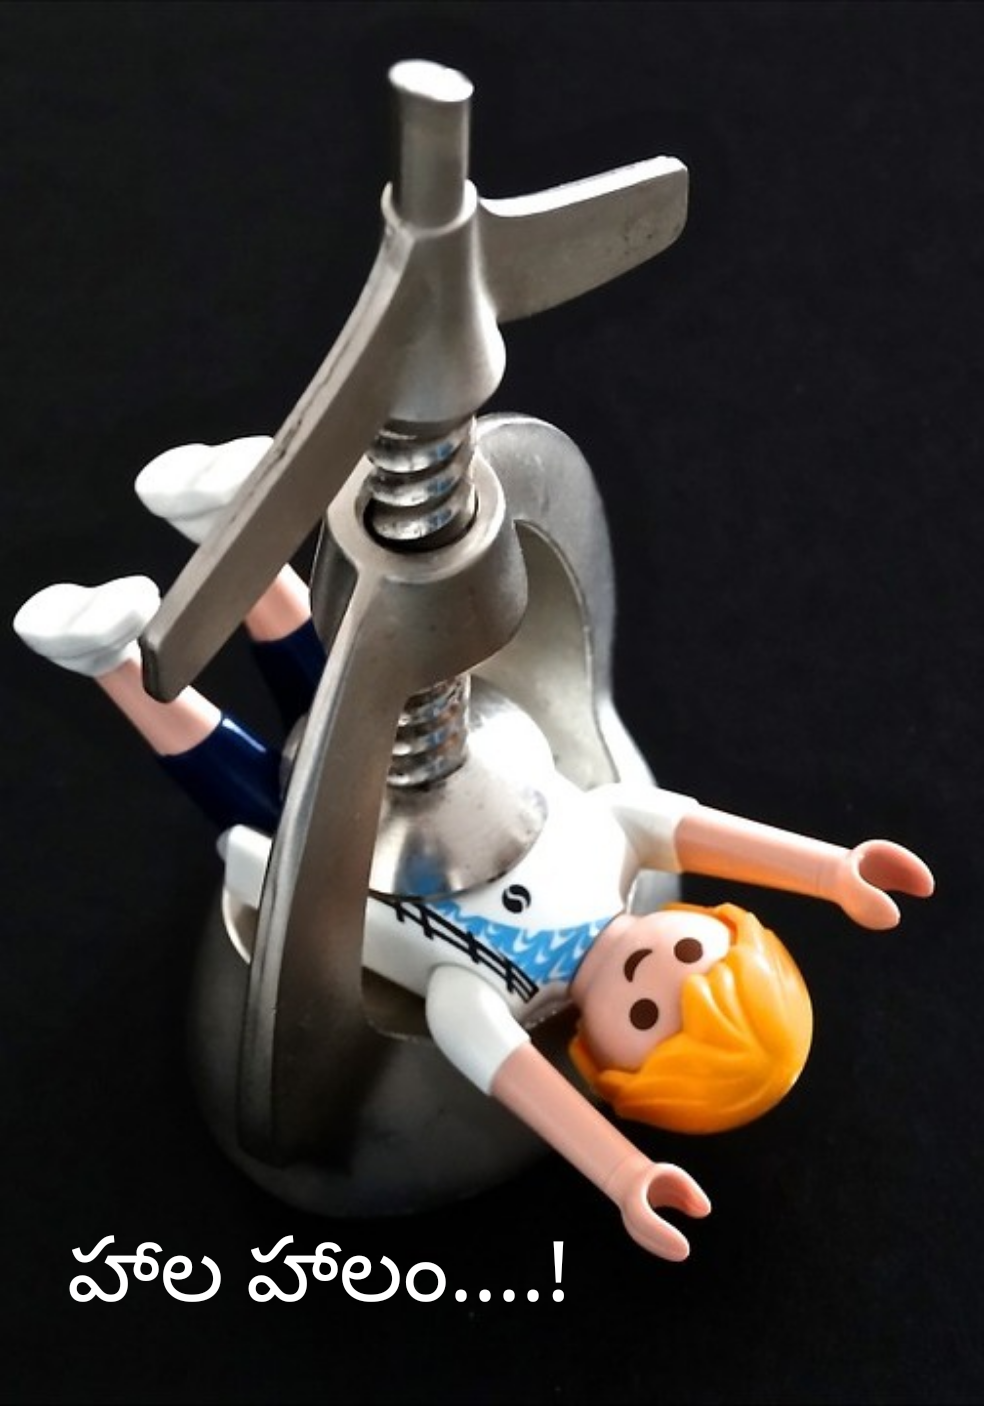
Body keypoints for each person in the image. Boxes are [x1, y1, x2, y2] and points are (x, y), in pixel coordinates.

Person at [13, 438, 934, 1261]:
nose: (655, 971)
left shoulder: (492, 997)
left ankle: (109, 656)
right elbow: (686, 826)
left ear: (604, 1065)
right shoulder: (612, 847)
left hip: (324, 846)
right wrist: (833, 870)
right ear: (719, 923)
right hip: (438, 755)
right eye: (694, 955)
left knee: (239, 769)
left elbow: (518, 1078)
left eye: (649, 1016)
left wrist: (622, 1174)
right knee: (333, 680)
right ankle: (226, 522)